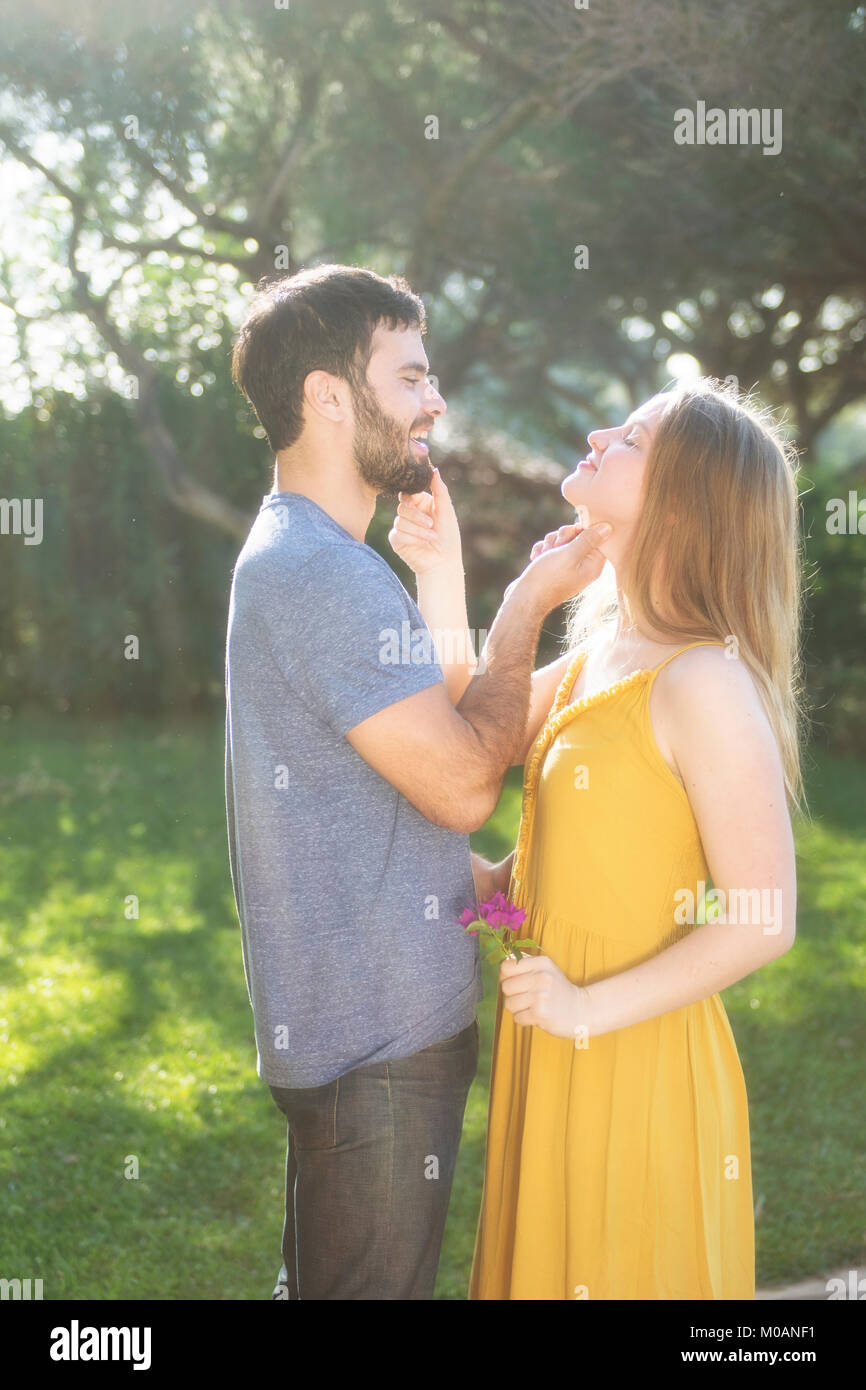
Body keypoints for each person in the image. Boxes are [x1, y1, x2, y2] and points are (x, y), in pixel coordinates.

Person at [224, 262, 610, 1299]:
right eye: (409, 377)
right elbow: (460, 784)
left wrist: (451, 590)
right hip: (376, 1048)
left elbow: (421, 767)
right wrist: (527, 603)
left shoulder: (322, 560)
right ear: (326, 395)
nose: (435, 400)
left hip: (360, 1035)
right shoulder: (317, 573)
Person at [390, 379, 804, 1299]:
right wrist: (450, 573)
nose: (595, 433)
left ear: (683, 498)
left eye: (633, 437)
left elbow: (764, 919)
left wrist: (583, 1011)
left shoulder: (705, 683)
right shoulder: (599, 657)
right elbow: (463, 726)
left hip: (630, 1055)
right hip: (552, 1044)